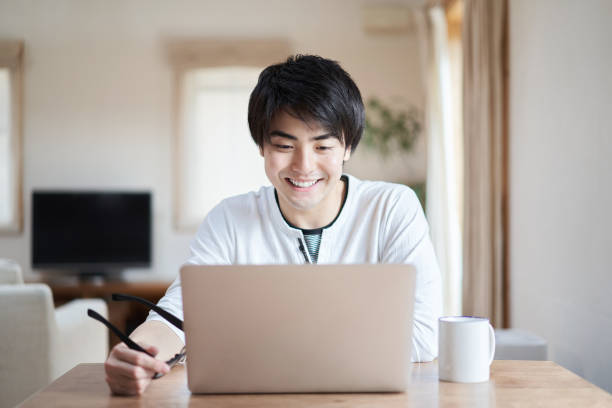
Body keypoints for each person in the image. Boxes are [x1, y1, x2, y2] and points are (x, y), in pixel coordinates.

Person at [104, 54, 442, 395]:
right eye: (284, 145)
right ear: (262, 146)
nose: (304, 166)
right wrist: (136, 354)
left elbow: (422, 337)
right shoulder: (230, 219)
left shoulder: (392, 208)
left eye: (322, 145)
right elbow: (177, 318)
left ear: (348, 146)